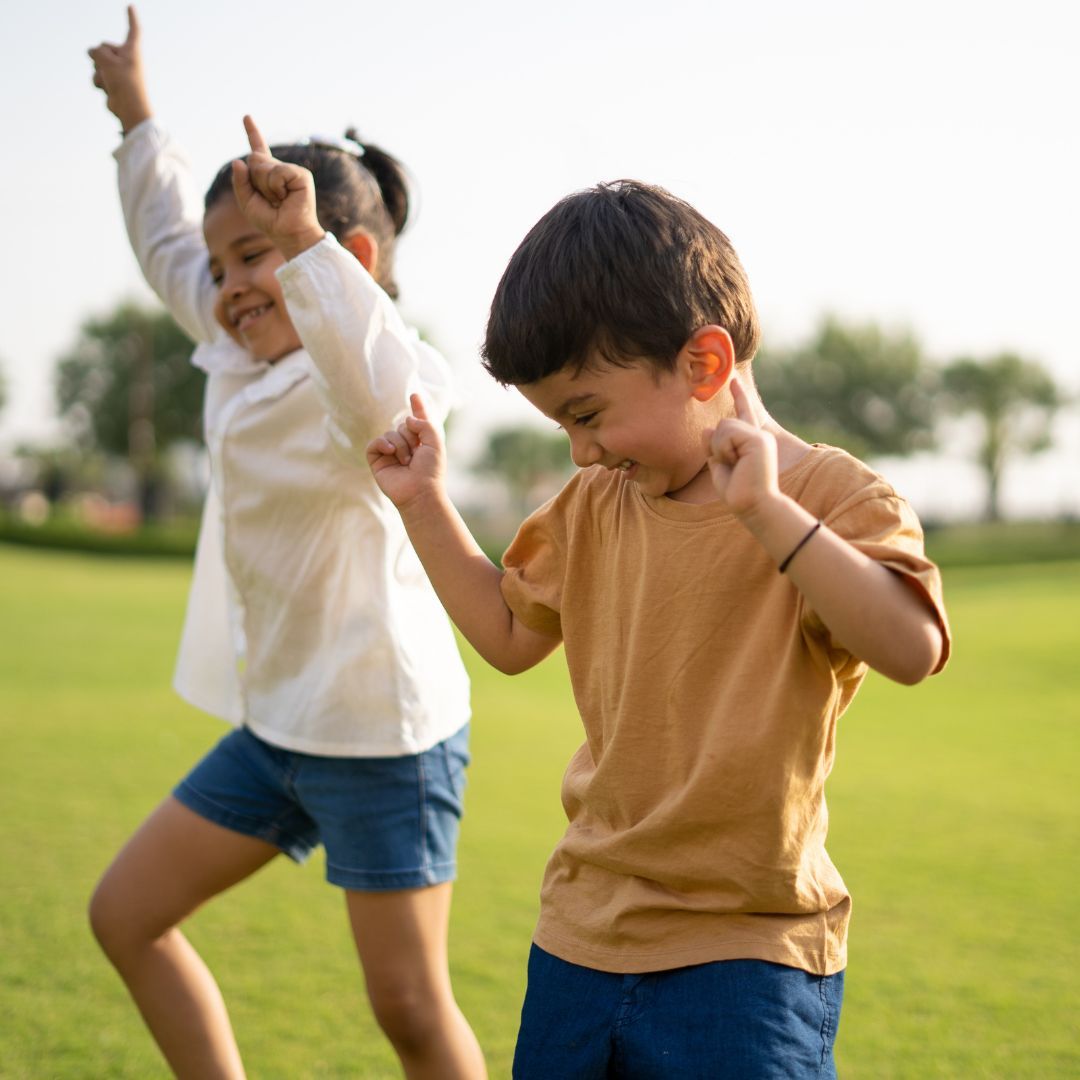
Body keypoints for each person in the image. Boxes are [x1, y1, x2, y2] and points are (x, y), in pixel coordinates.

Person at [367, 179, 951, 1078]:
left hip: (748, 956)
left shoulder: (831, 501)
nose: (582, 450)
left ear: (704, 366)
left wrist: (767, 513)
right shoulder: (597, 503)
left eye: (587, 413)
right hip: (581, 935)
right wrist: (423, 504)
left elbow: (912, 649)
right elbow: (509, 636)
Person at [86, 9, 486, 1079]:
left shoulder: (359, 376)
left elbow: (386, 390)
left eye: (254, 256)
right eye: (224, 269)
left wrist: (301, 250)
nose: (226, 287)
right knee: (124, 914)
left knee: (407, 1006)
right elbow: (171, 243)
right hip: (278, 729)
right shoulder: (233, 347)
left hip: (382, 739)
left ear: (342, 258)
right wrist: (137, 119)